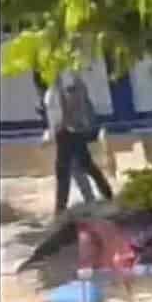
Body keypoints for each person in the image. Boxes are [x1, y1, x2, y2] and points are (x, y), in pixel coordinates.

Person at [45, 72, 113, 214]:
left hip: (66, 133)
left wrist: (58, 128)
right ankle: (106, 195)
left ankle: (60, 210)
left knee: (65, 172)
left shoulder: (58, 91)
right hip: (73, 132)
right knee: (86, 167)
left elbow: (62, 114)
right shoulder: (69, 88)